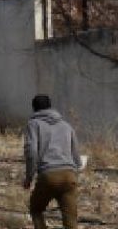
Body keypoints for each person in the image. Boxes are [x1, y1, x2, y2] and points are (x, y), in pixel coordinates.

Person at [23, 94, 81, 229]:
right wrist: (76, 169)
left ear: (34, 109)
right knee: (71, 220)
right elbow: (76, 153)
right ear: (50, 107)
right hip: (69, 175)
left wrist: (29, 178)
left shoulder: (33, 124)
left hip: (48, 176)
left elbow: (31, 152)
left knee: (36, 209)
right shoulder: (66, 125)